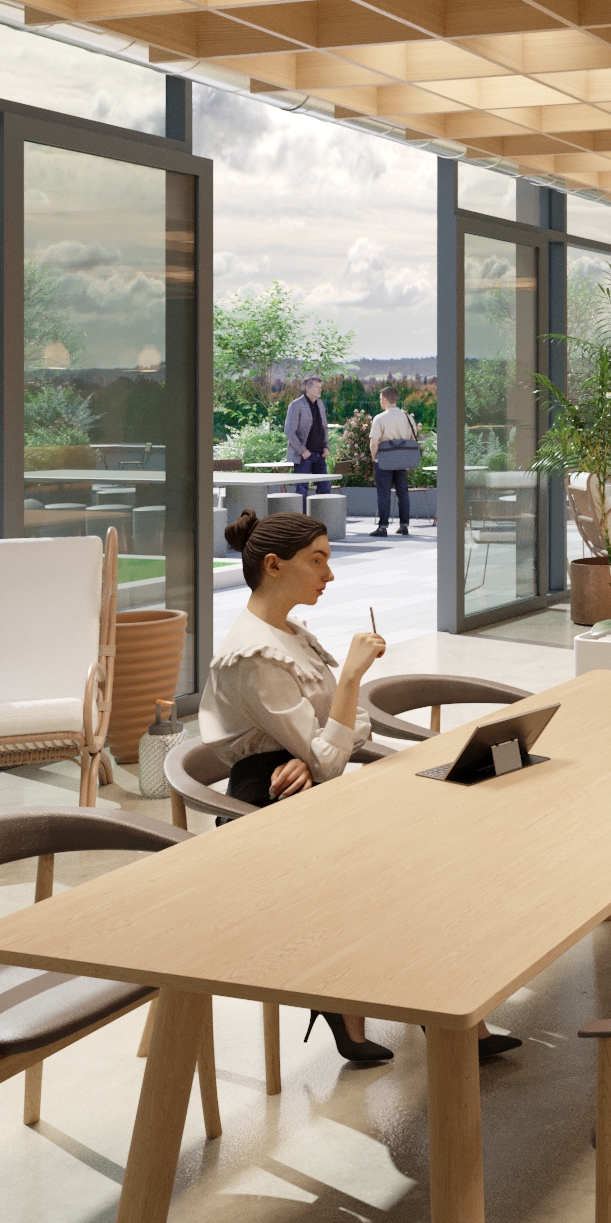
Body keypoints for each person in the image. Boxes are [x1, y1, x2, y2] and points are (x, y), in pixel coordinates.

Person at [203, 510, 520, 1065]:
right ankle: (440, 1013)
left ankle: (428, 1009)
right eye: (318, 560)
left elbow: (343, 736)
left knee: (428, 848)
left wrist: (318, 748)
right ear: (274, 566)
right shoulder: (254, 655)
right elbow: (330, 749)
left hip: (307, 787)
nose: (330, 574)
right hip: (265, 807)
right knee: (405, 869)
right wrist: (346, 687)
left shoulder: (290, 633)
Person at [369, 385, 419, 538]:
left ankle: (383, 527)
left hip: (384, 459)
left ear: (385, 399)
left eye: (380, 399)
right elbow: (413, 438)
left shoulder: (380, 418)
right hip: (401, 461)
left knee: (384, 493)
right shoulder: (408, 418)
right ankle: (404, 525)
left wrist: (374, 458)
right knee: (403, 493)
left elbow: (374, 442)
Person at [283, 374, 331, 505]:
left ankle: (322, 520)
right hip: (303, 456)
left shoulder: (320, 404)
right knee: (301, 491)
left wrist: (326, 446)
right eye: (317, 387)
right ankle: (302, 522)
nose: (320, 389)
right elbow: (289, 431)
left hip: (320, 455)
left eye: (321, 387)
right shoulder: (296, 405)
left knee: (325, 489)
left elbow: (324, 427)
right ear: (307, 388)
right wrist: (302, 451)